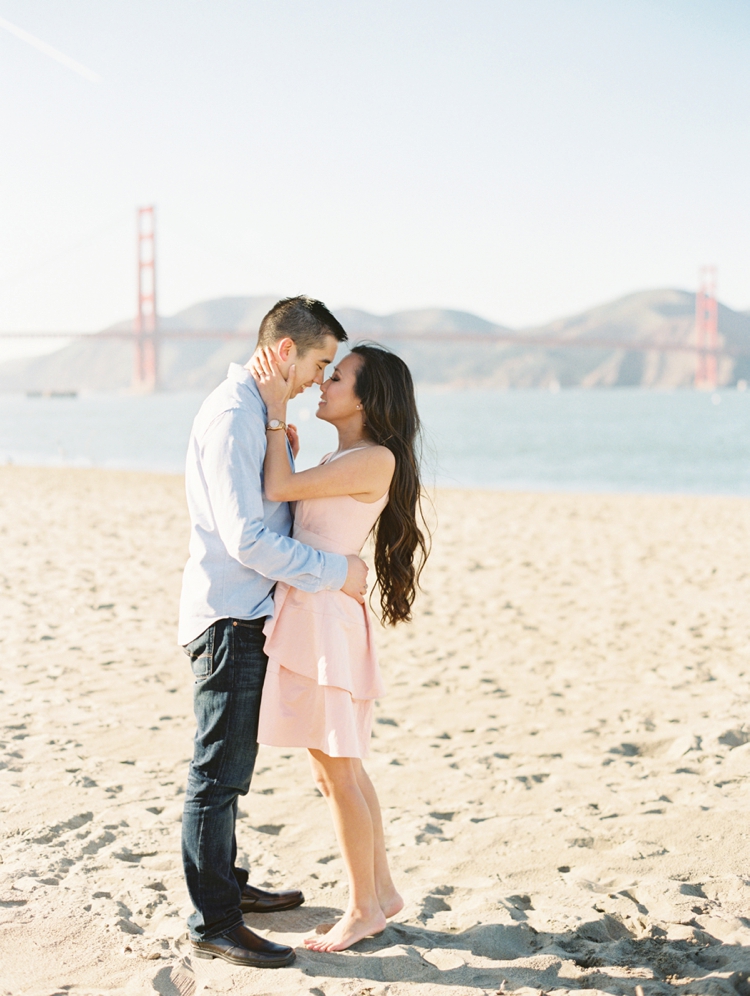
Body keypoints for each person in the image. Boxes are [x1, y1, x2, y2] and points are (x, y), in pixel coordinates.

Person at [178, 297, 370, 970]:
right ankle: (214, 922)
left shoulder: (257, 412)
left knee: (232, 768)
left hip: (247, 613)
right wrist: (335, 570)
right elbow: (247, 538)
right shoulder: (236, 418)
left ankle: (228, 887)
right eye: (320, 362)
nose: (323, 378)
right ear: (285, 352)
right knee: (217, 777)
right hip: (231, 615)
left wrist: (282, 429)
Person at [251, 341, 429, 952]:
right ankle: (380, 892)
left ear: (367, 396)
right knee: (339, 771)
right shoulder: (350, 454)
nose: (323, 383)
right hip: (320, 612)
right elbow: (299, 499)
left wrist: (276, 413)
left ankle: (361, 909)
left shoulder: (373, 457)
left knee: (338, 773)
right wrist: (292, 448)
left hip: (325, 620)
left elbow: (278, 488)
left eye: (338, 376)